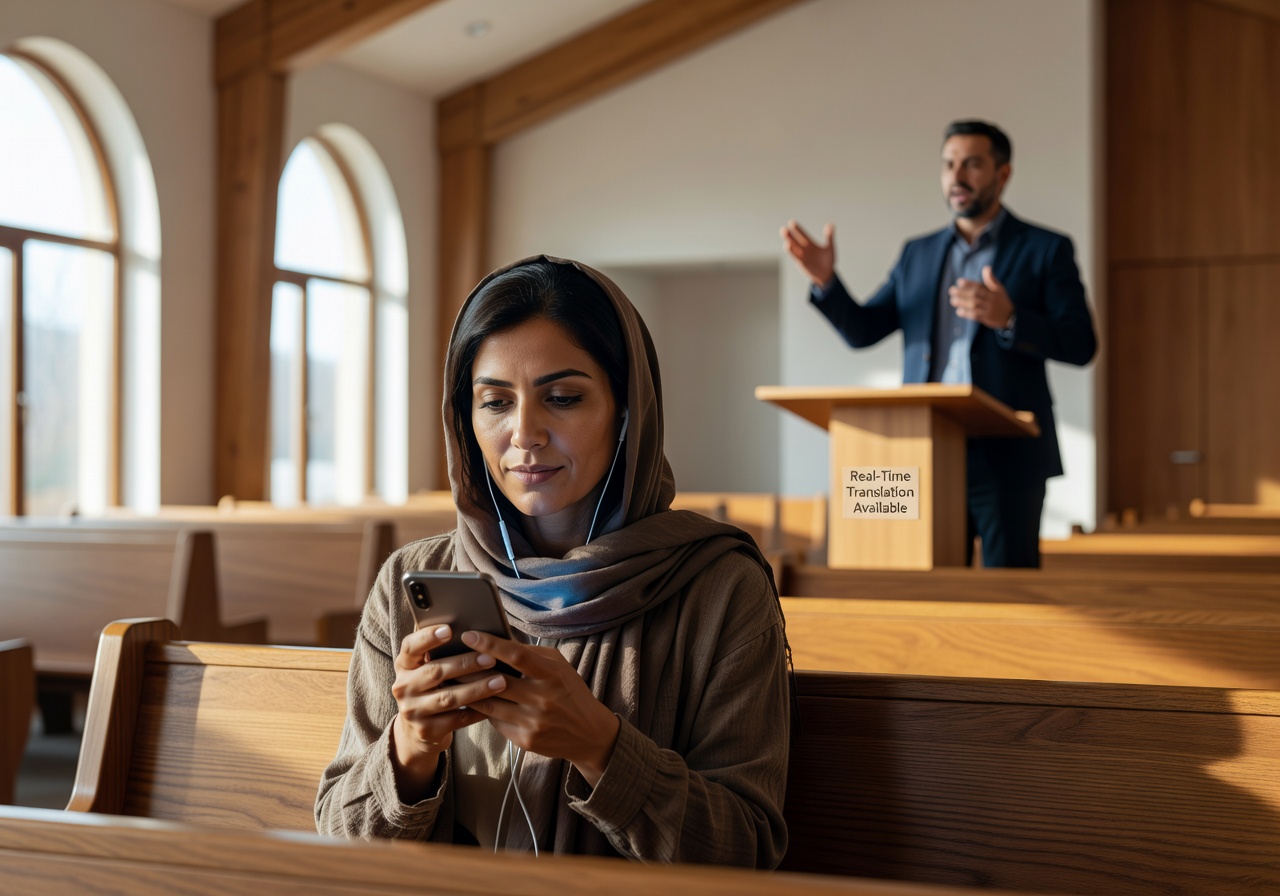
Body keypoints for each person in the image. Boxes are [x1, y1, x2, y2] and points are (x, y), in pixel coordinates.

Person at [315, 256, 790, 866]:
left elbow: (745, 853)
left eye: (562, 398)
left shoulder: (719, 587)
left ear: (627, 411)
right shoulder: (411, 582)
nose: (525, 433)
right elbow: (338, 842)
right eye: (494, 402)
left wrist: (601, 746)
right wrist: (410, 746)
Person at [781, 120, 1097, 568]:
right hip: (918, 451)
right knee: (919, 583)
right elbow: (863, 330)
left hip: (1006, 455)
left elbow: (1081, 343)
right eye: (949, 164)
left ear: (1002, 174)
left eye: (972, 164)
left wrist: (1009, 318)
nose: (957, 176)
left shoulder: (1045, 249)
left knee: (1008, 594)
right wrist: (827, 282)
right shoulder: (919, 253)